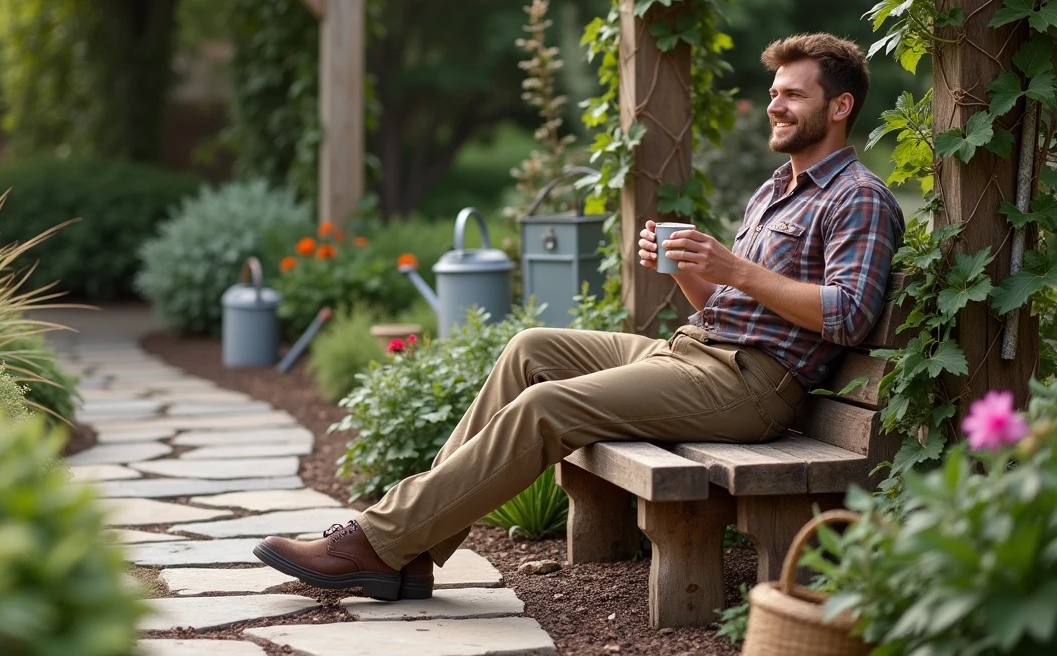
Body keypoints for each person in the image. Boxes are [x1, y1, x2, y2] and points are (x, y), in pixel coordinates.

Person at [253, 32, 906, 602]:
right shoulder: (774, 191)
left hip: (751, 385)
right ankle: (412, 549)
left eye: (793, 94)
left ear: (840, 106)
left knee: (548, 408)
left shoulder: (858, 199)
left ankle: (377, 541)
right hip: (695, 350)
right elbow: (726, 307)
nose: (774, 105)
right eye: (774, 92)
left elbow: (848, 317)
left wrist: (735, 268)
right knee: (532, 348)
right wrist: (687, 269)